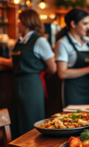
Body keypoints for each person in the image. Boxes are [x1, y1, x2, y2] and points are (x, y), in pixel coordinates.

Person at [0, 9, 56, 137]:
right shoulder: (19, 41)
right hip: (17, 83)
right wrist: (2, 61)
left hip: (32, 84)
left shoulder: (40, 41)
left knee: (30, 119)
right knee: (17, 118)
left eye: (19, 20)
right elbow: (16, 63)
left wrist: (38, 73)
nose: (17, 23)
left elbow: (52, 67)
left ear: (26, 21)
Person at [55, 9, 89, 106]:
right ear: (73, 24)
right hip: (73, 91)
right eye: (85, 24)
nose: (88, 27)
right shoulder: (62, 43)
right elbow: (62, 73)